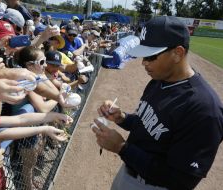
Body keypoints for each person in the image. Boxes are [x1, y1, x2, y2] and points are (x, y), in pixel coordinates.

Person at [92, 16, 223, 190]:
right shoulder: (159, 79)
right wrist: (122, 118)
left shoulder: (205, 109)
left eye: (151, 56)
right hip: (128, 174)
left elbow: (181, 181)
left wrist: (122, 148)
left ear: (178, 53)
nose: (144, 63)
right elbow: (148, 126)